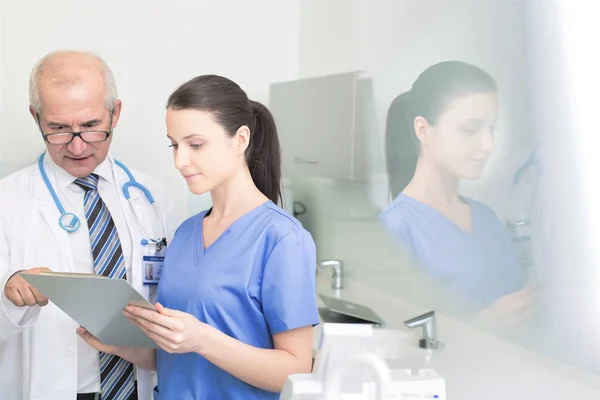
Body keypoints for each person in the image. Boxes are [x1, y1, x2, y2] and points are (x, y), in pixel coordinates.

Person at [78, 74, 320, 399]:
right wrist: (120, 343)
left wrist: (202, 339)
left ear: (240, 140)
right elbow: (178, 355)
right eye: (174, 145)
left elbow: (296, 371)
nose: (180, 161)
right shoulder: (187, 232)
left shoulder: (282, 238)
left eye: (195, 145)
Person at [0, 51, 175, 400]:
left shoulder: (154, 197)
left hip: (136, 388)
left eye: (92, 126)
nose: (78, 146)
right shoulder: (6, 201)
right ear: (37, 119)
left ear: (116, 113)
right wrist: (10, 298)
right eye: (59, 129)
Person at [380, 61, 532, 327]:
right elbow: (397, 337)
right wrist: (482, 325)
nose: (487, 145)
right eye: (470, 130)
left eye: (491, 129)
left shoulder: (486, 218)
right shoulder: (396, 228)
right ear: (423, 130)